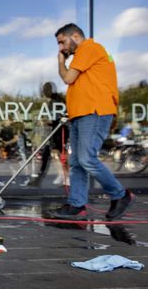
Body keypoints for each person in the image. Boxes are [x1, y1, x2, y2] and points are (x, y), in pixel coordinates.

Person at [51, 23, 133, 220]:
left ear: (76, 36)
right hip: (80, 114)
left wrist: (61, 61)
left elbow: (68, 78)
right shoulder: (84, 54)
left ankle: (120, 195)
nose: (61, 48)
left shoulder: (89, 48)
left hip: (94, 111)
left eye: (62, 42)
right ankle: (77, 205)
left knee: (86, 159)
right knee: (77, 162)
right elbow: (72, 80)